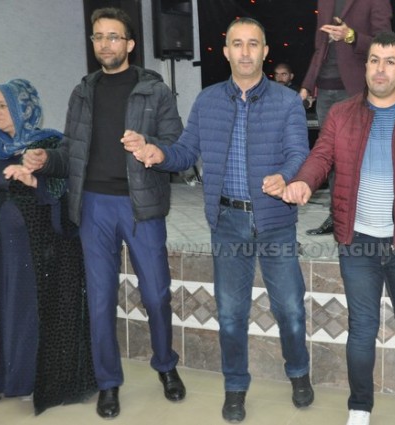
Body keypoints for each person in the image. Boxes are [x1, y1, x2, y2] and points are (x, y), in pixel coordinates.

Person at [127, 17, 313, 423]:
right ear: (226, 51)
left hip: (275, 220)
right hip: (227, 221)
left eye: (253, 44)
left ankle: (298, 372)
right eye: (237, 43)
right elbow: (184, 152)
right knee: (230, 314)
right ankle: (235, 386)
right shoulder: (207, 100)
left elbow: (299, 152)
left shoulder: (286, 102)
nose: (245, 52)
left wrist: (286, 175)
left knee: (290, 309)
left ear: (265, 51)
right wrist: (158, 153)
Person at [22, 7, 185, 419]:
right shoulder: (82, 92)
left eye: (113, 36)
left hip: (141, 205)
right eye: (98, 37)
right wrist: (47, 160)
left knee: (156, 294)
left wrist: (151, 148)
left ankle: (166, 365)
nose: (105, 44)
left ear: (129, 44)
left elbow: (177, 147)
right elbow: (70, 154)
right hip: (93, 205)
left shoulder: (155, 91)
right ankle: (108, 382)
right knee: (99, 300)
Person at [283, 32, 395, 425]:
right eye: (374, 60)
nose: (380, 69)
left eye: (390, 61)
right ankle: (360, 404)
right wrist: (304, 180)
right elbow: (321, 155)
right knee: (362, 329)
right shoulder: (342, 114)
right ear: (365, 65)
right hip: (356, 242)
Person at [0, 79, 96, 414]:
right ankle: (13, 378)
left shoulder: (50, 143)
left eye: (4, 105)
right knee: (11, 306)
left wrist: (35, 180)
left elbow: (70, 188)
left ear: (23, 107)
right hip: (11, 248)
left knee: (39, 308)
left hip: (47, 246)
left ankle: (39, 379)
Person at [300, 0, 392, 236]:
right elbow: (319, 47)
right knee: (331, 157)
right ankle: (338, 216)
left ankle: (363, 216)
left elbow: (386, 44)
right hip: (325, 89)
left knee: (358, 156)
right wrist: (308, 84)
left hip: (353, 88)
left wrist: (351, 36)